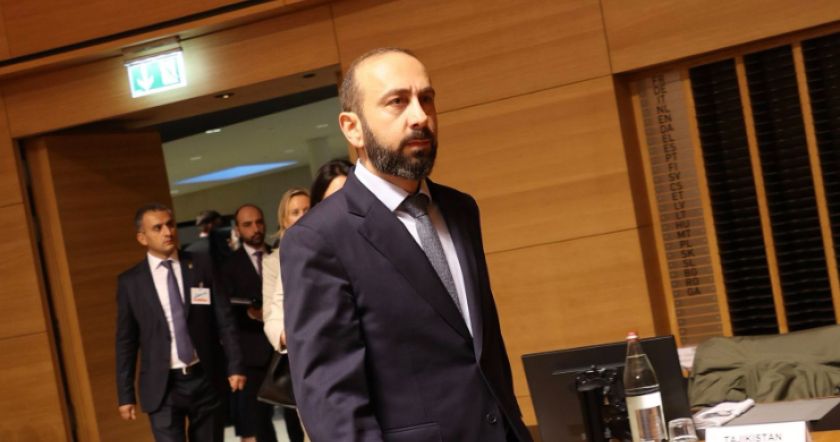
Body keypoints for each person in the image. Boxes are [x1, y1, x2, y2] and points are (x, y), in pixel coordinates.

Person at [281, 48, 532, 441]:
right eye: (397, 102)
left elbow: (480, 352)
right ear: (352, 128)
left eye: (426, 99)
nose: (420, 116)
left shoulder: (460, 209)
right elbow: (331, 403)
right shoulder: (318, 239)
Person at [115, 203, 246, 442]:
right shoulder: (131, 283)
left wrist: (235, 365)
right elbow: (126, 342)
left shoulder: (201, 265)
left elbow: (225, 319)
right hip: (162, 385)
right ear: (142, 238)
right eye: (158, 228)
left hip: (204, 377)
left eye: (170, 225)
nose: (168, 232)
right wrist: (125, 395)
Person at [219, 204, 278, 442]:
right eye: (248, 224)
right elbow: (226, 316)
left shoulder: (280, 255)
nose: (256, 228)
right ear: (237, 229)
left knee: (297, 417)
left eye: (259, 222)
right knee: (258, 423)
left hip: (285, 349)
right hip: (252, 354)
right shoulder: (228, 267)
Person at [261, 189, 310, 442]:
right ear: (284, 220)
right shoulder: (280, 259)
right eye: (295, 212)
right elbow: (273, 312)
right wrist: (289, 336)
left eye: (307, 210)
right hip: (304, 359)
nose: (302, 216)